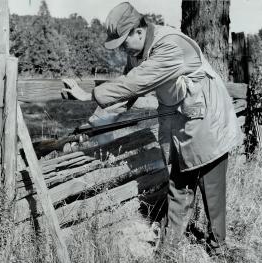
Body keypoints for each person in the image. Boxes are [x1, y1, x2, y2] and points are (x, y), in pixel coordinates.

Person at [64, 1, 243, 253]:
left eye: (123, 42)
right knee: (179, 185)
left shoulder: (169, 45)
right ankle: (169, 250)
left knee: (211, 189)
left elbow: (135, 83)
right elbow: (125, 94)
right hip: (184, 123)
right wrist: (90, 128)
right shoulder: (138, 54)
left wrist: (89, 95)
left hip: (208, 123)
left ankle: (218, 247)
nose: (122, 50)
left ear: (139, 31)